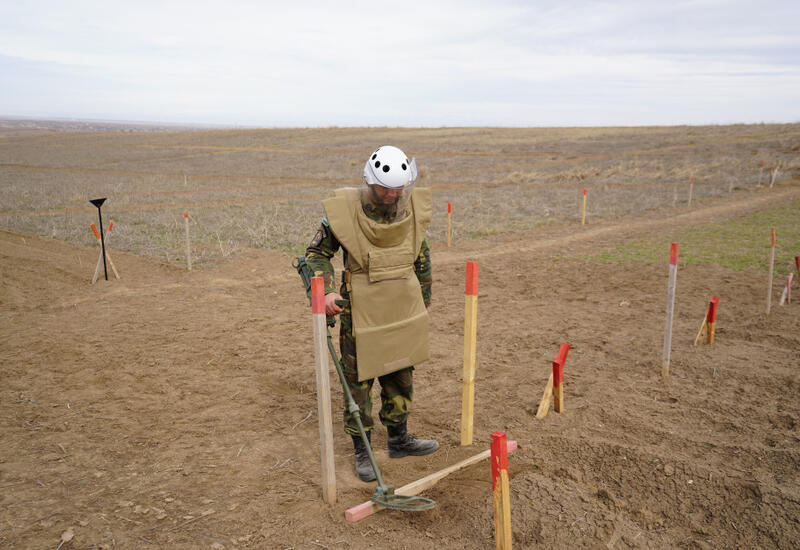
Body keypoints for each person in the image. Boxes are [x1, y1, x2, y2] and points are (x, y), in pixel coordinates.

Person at [305, 145, 439, 482]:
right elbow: (316, 254)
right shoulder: (345, 211)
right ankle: (362, 449)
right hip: (361, 307)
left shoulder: (408, 208)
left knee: (401, 370)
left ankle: (399, 439)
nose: (393, 195)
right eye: (385, 189)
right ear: (370, 181)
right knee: (359, 380)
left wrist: (423, 298)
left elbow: (420, 251)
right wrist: (328, 290)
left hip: (402, 303)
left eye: (399, 189)